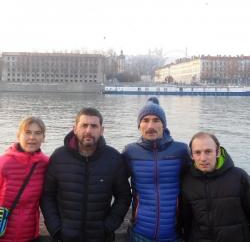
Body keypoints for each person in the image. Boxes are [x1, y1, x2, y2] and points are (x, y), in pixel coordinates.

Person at [41, 107, 131, 242]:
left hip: (101, 237)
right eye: (84, 125)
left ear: (101, 130)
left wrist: (108, 226)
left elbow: (123, 196)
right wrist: (56, 228)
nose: (88, 130)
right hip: (64, 237)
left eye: (94, 126)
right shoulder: (59, 157)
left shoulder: (113, 158)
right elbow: (47, 195)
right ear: (75, 128)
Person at [122, 97, 191, 242]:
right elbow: (114, 181)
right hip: (139, 234)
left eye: (156, 120)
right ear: (139, 125)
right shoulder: (130, 152)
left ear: (164, 125)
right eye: (145, 120)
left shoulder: (181, 150)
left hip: (173, 234)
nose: (150, 126)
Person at [181, 132, 250, 242]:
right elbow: (186, 221)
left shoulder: (239, 177)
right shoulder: (187, 181)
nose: (203, 158)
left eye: (208, 152)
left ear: (217, 152)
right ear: (192, 156)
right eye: (197, 153)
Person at [0, 116, 49, 241]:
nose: (32, 137)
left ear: (43, 138)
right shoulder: (4, 163)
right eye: (27, 132)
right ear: (18, 135)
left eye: (37, 133)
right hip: (3, 234)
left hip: (30, 235)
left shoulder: (45, 164)